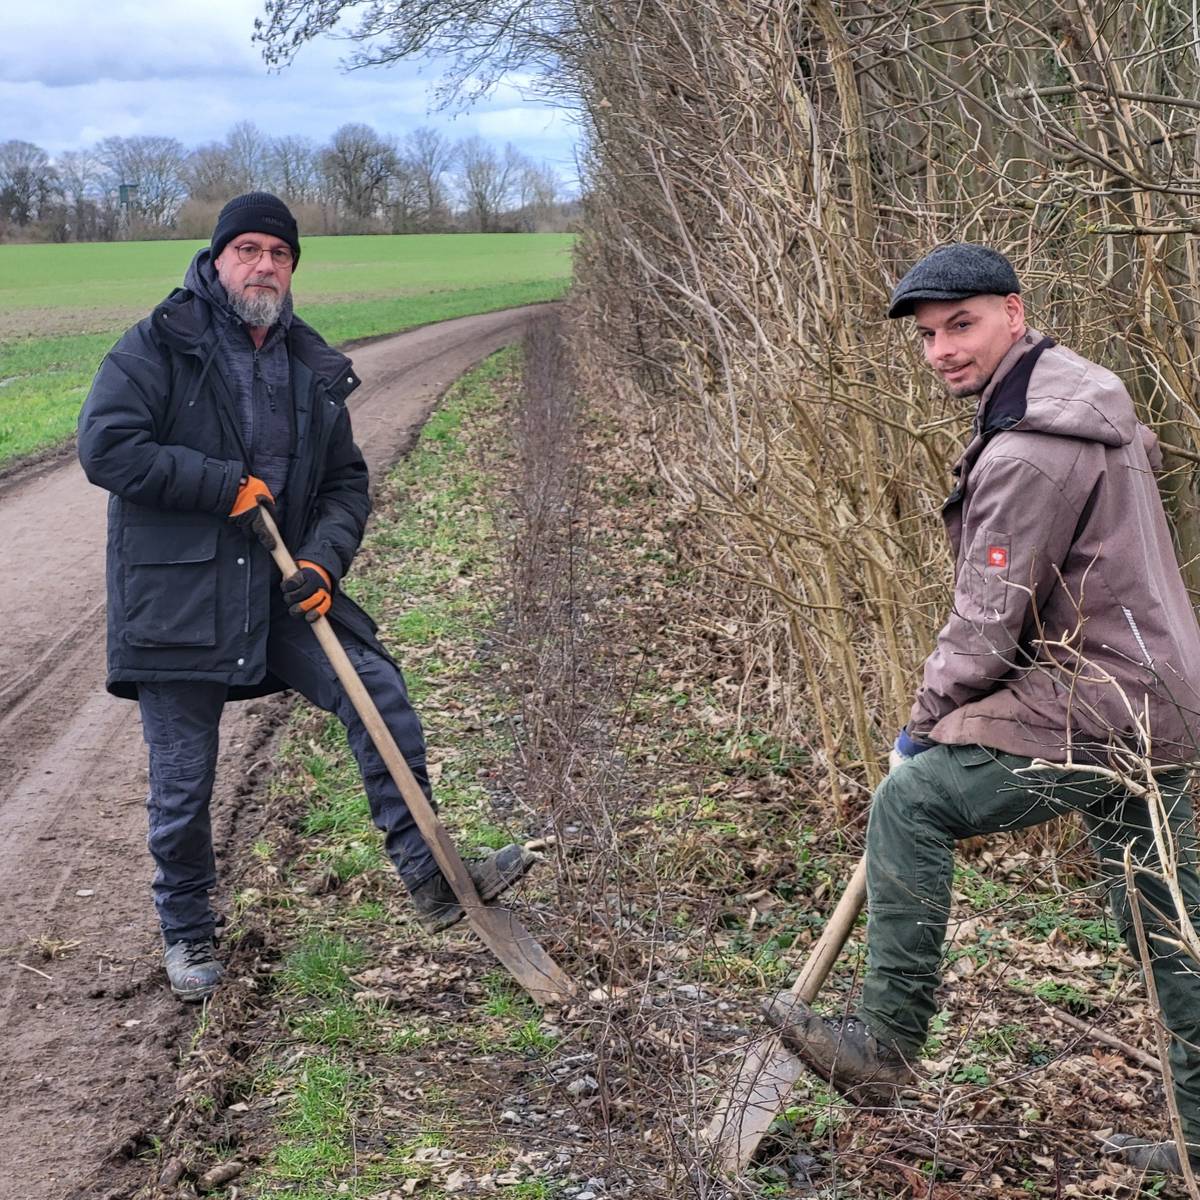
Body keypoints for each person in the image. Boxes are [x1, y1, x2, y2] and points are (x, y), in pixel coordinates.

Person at [766, 244, 1200, 1174]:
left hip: (1101, 697)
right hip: (1158, 695)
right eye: (927, 336)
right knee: (1169, 917)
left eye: (959, 325)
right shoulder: (1088, 403)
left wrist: (922, 729)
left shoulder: (1030, 449)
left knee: (913, 801)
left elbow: (987, 621)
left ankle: (883, 1048)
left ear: (1013, 310)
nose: (941, 352)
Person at [78, 192, 534, 1002]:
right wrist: (224, 486)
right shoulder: (159, 344)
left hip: (278, 588)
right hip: (178, 601)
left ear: (292, 268)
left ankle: (433, 876)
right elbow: (107, 447)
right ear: (218, 259)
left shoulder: (304, 364)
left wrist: (324, 562)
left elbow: (345, 484)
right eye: (247, 248)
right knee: (184, 790)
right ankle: (186, 935)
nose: (263, 265)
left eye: (278, 253)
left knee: (377, 692)